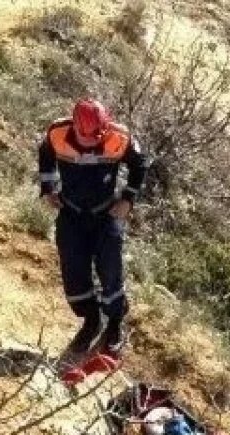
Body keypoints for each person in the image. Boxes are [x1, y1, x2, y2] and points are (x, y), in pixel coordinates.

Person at [36, 98, 149, 358]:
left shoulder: (118, 137)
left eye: (94, 137)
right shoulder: (58, 132)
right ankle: (91, 320)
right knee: (73, 273)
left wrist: (127, 199)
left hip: (105, 215)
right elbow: (45, 154)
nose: (88, 143)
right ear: (74, 125)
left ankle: (114, 324)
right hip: (71, 213)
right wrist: (48, 188)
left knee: (111, 272)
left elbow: (139, 164)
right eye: (83, 136)